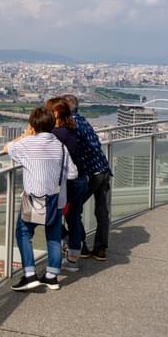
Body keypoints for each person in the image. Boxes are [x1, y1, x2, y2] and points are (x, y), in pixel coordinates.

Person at [4, 106, 78, 291]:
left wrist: (26, 135)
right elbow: (73, 174)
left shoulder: (26, 144)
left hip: (33, 199)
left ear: (33, 125)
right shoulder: (60, 146)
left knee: (23, 233)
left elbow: (7, 148)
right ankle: (52, 276)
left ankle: (29, 275)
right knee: (53, 237)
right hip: (55, 198)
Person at [62, 94, 112, 261]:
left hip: (91, 174)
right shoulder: (83, 121)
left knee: (71, 211)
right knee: (102, 212)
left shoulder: (71, 125)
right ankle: (100, 249)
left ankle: (79, 245)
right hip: (104, 170)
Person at [49, 101, 89, 272]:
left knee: (50, 217)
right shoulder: (72, 130)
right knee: (73, 217)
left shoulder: (56, 134)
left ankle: (65, 242)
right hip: (81, 178)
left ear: (57, 114)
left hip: (69, 181)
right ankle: (73, 259)